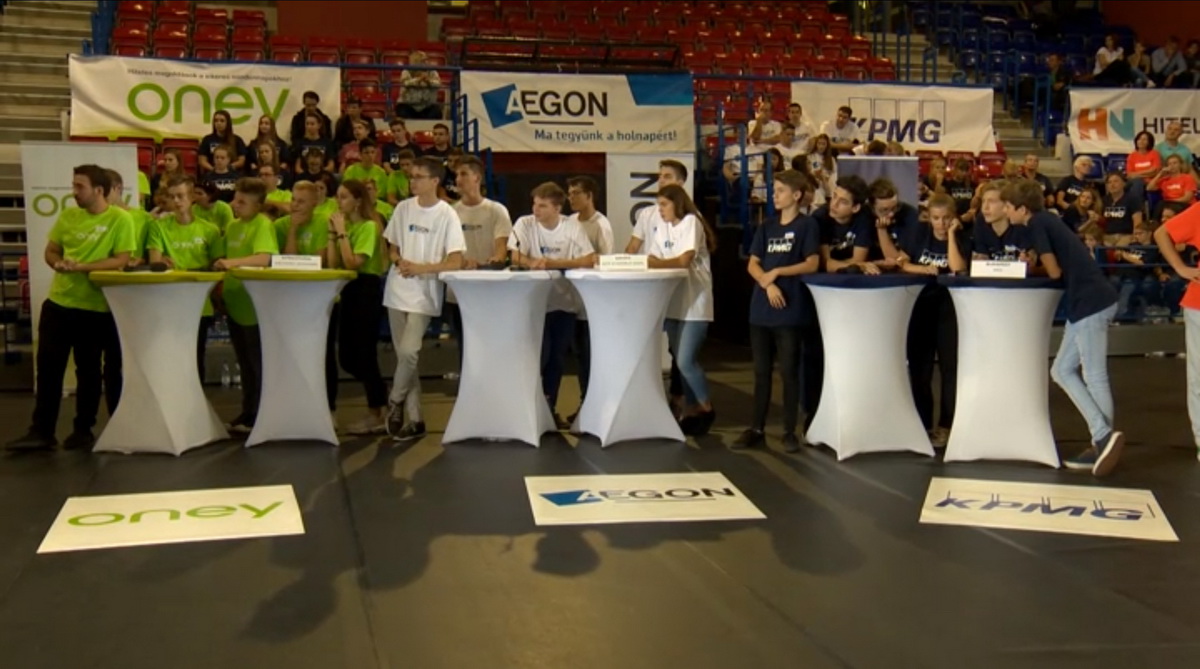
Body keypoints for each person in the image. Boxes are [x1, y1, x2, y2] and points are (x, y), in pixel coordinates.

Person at [7, 165, 135, 451]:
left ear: (98, 190)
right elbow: (51, 250)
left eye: (80, 186)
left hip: (94, 307)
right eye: (74, 185)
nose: (74, 191)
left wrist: (82, 267)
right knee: (48, 370)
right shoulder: (68, 216)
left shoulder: (120, 219)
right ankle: (42, 431)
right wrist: (58, 263)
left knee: (88, 370)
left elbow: (122, 259)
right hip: (59, 302)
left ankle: (83, 429)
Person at [1001, 180, 1124, 476]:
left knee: (1094, 375)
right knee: (1061, 370)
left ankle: (1102, 438)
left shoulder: (1037, 224)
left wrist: (1031, 267)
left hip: (1090, 303)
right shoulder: (1046, 220)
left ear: (1022, 209)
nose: (1005, 211)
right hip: (1089, 301)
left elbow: (1054, 271)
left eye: (1007, 206)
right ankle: (1102, 438)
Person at [734, 170, 820, 452]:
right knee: (761, 371)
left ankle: (789, 430)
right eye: (775, 190)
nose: (775, 195)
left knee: (789, 371)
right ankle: (756, 427)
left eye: (781, 190)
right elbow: (753, 263)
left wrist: (779, 272)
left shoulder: (806, 225)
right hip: (762, 307)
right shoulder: (767, 226)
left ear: (796, 195)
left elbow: (811, 263)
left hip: (790, 307)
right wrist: (767, 283)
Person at [382, 156, 465, 441]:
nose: (412, 181)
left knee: (409, 352)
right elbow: (392, 247)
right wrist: (399, 261)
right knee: (406, 360)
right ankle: (415, 419)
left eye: (418, 176)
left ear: (434, 181)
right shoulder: (403, 208)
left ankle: (395, 399)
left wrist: (421, 268)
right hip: (397, 289)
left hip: (424, 293)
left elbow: (455, 261)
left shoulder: (447, 214)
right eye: (411, 176)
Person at [508, 182, 596, 427]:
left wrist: (554, 264)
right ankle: (529, 409)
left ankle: (549, 410)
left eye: (543, 206)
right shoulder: (525, 224)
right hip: (534, 303)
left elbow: (589, 259)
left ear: (557, 208)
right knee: (540, 355)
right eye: (535, 204)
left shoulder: (571, 227)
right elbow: (514, 254)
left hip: (563, 302)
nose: (535, 210)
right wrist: (531, 262)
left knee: (556, 358)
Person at [899, 193, 968, 447]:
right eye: (936, 218)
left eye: (946, 218)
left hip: (949, 308)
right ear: (929, 218)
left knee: (950, 369)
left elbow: (957, 268)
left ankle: (946, 425)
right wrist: (920, 269)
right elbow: (902, 261)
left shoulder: (961, 236)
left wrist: (950, 236)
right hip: (921, 306)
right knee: (920, 369)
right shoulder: (919, 233)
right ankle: (923, 423)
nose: (941, 223)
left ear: (954, 218)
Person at [648, 184, 718, 436]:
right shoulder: (662, 227)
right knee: (679, 360)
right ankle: (691, 409)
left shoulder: (691, 222)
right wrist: (659, 263)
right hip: (673, 303)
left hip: (695, 302)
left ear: (677, 203)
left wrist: (659, 263)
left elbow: (683, 260)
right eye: (658, 205)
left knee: (686, 360)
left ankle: (705, 407)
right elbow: (651, 258)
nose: (660, 210)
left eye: (664, 204)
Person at [212, 178, 279, 433]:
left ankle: (260, 415)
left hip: (254, 306)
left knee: (256, 363)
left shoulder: (262, 224)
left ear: (258, 205)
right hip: (234, 303)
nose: (235, 205)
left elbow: (265, 257)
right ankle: (247, 411)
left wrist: (233, 263)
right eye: (235, 199)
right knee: (244, 362)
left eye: (242, 202)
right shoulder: (232, 226)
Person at [626, 159, 691, 416]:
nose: (661, 180)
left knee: (677, 348)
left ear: (681, 182)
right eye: (660, 176)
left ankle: (678, 397)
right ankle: (645, 394)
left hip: (678, 287)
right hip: (650, 287)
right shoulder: (647, 214)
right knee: (645, 341)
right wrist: (621, 263)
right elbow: (634, 246)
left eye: (667, 176)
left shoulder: (689, 217)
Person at [327, 180, 390, 435]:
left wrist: (342, 233)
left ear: (357, 201)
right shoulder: (349, 227)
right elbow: (334, 264)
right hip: (347, 289)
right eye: (337, 196)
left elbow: (353, 262)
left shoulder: (368, 227)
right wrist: (332, 235)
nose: (338, 202)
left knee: (364, 353)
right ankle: (381, 395)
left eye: (344, 197)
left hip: (366, 289)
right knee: (347, 357)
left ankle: (377, 409)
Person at [146, 175, 222, 378]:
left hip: (200, 303)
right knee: (169, 358)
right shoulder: (158, 227)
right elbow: (155, 263)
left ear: (192, 197)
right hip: (168, 301)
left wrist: (182, 268)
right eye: (172, 197)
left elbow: (216, 267)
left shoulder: (210, 230)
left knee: (195, 359)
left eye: (181, 196)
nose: (176, 201)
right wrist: (162, 263)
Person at [446, 155, 512, 367]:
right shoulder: (450, 212)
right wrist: (463, 262)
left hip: (488, 289)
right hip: (459, 290)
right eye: (456, 175)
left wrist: (493, 260)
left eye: (463, 174)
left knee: (491, 343)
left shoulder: (495, 210)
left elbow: (502, 248)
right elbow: (446, 251)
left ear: (477, 178)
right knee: (465, 346)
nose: (458, 179)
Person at [565, 175, 613, 419]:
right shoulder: (570, 221)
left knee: (589, 356)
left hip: (591, 303)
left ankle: (592, 406)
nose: (571, 198)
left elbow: (606, 261)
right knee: (579, 356)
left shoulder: (601, 225)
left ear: (589, 196)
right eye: (569, 193)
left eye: (576, 193)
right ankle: (585, 404)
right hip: (570, 299)